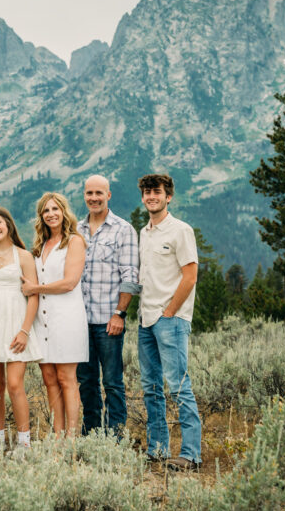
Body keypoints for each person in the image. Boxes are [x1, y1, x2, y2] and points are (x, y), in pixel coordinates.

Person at [136, 173, 201, 471]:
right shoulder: (144, 233)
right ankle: (158, 449)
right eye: (147, 192)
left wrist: (171, 311)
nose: (152, 196)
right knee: (151, 387)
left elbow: (190, 276)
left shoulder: (181, 231)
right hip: (145, 319)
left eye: (157, 192)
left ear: (168, 196)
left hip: (170, 320)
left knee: (178, 386)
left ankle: (191, 454)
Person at [77, 175, 140, 438]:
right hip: (79, 322)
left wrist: (119, 314)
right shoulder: (76, 230)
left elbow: (130, 276)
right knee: (87, 382)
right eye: (89, 193)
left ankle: (115, 437)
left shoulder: (123, 229)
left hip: (108, 320)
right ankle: (92, 435)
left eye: (99, 193)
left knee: (113, 382)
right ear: (84, 195)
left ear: (109, 195)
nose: (94, 197)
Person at [0, 206, 42, 455]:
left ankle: (24, 442)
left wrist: (24, 331)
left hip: (16, 326)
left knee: (15, 385)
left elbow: (33, 295)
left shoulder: (23, 256)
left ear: (8, 224)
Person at [22, 192, 89, 437]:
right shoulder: (40, 246)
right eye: (46, 210)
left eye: (55, 209)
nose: (51, 214)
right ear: (41, 216)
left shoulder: (74, 241)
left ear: (64, 212)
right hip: (43, 319)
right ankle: (57, 435)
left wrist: (36, 289)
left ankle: (72, 437)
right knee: (49, 377)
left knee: (66, 377)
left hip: (67, 317)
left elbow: (70, 282)